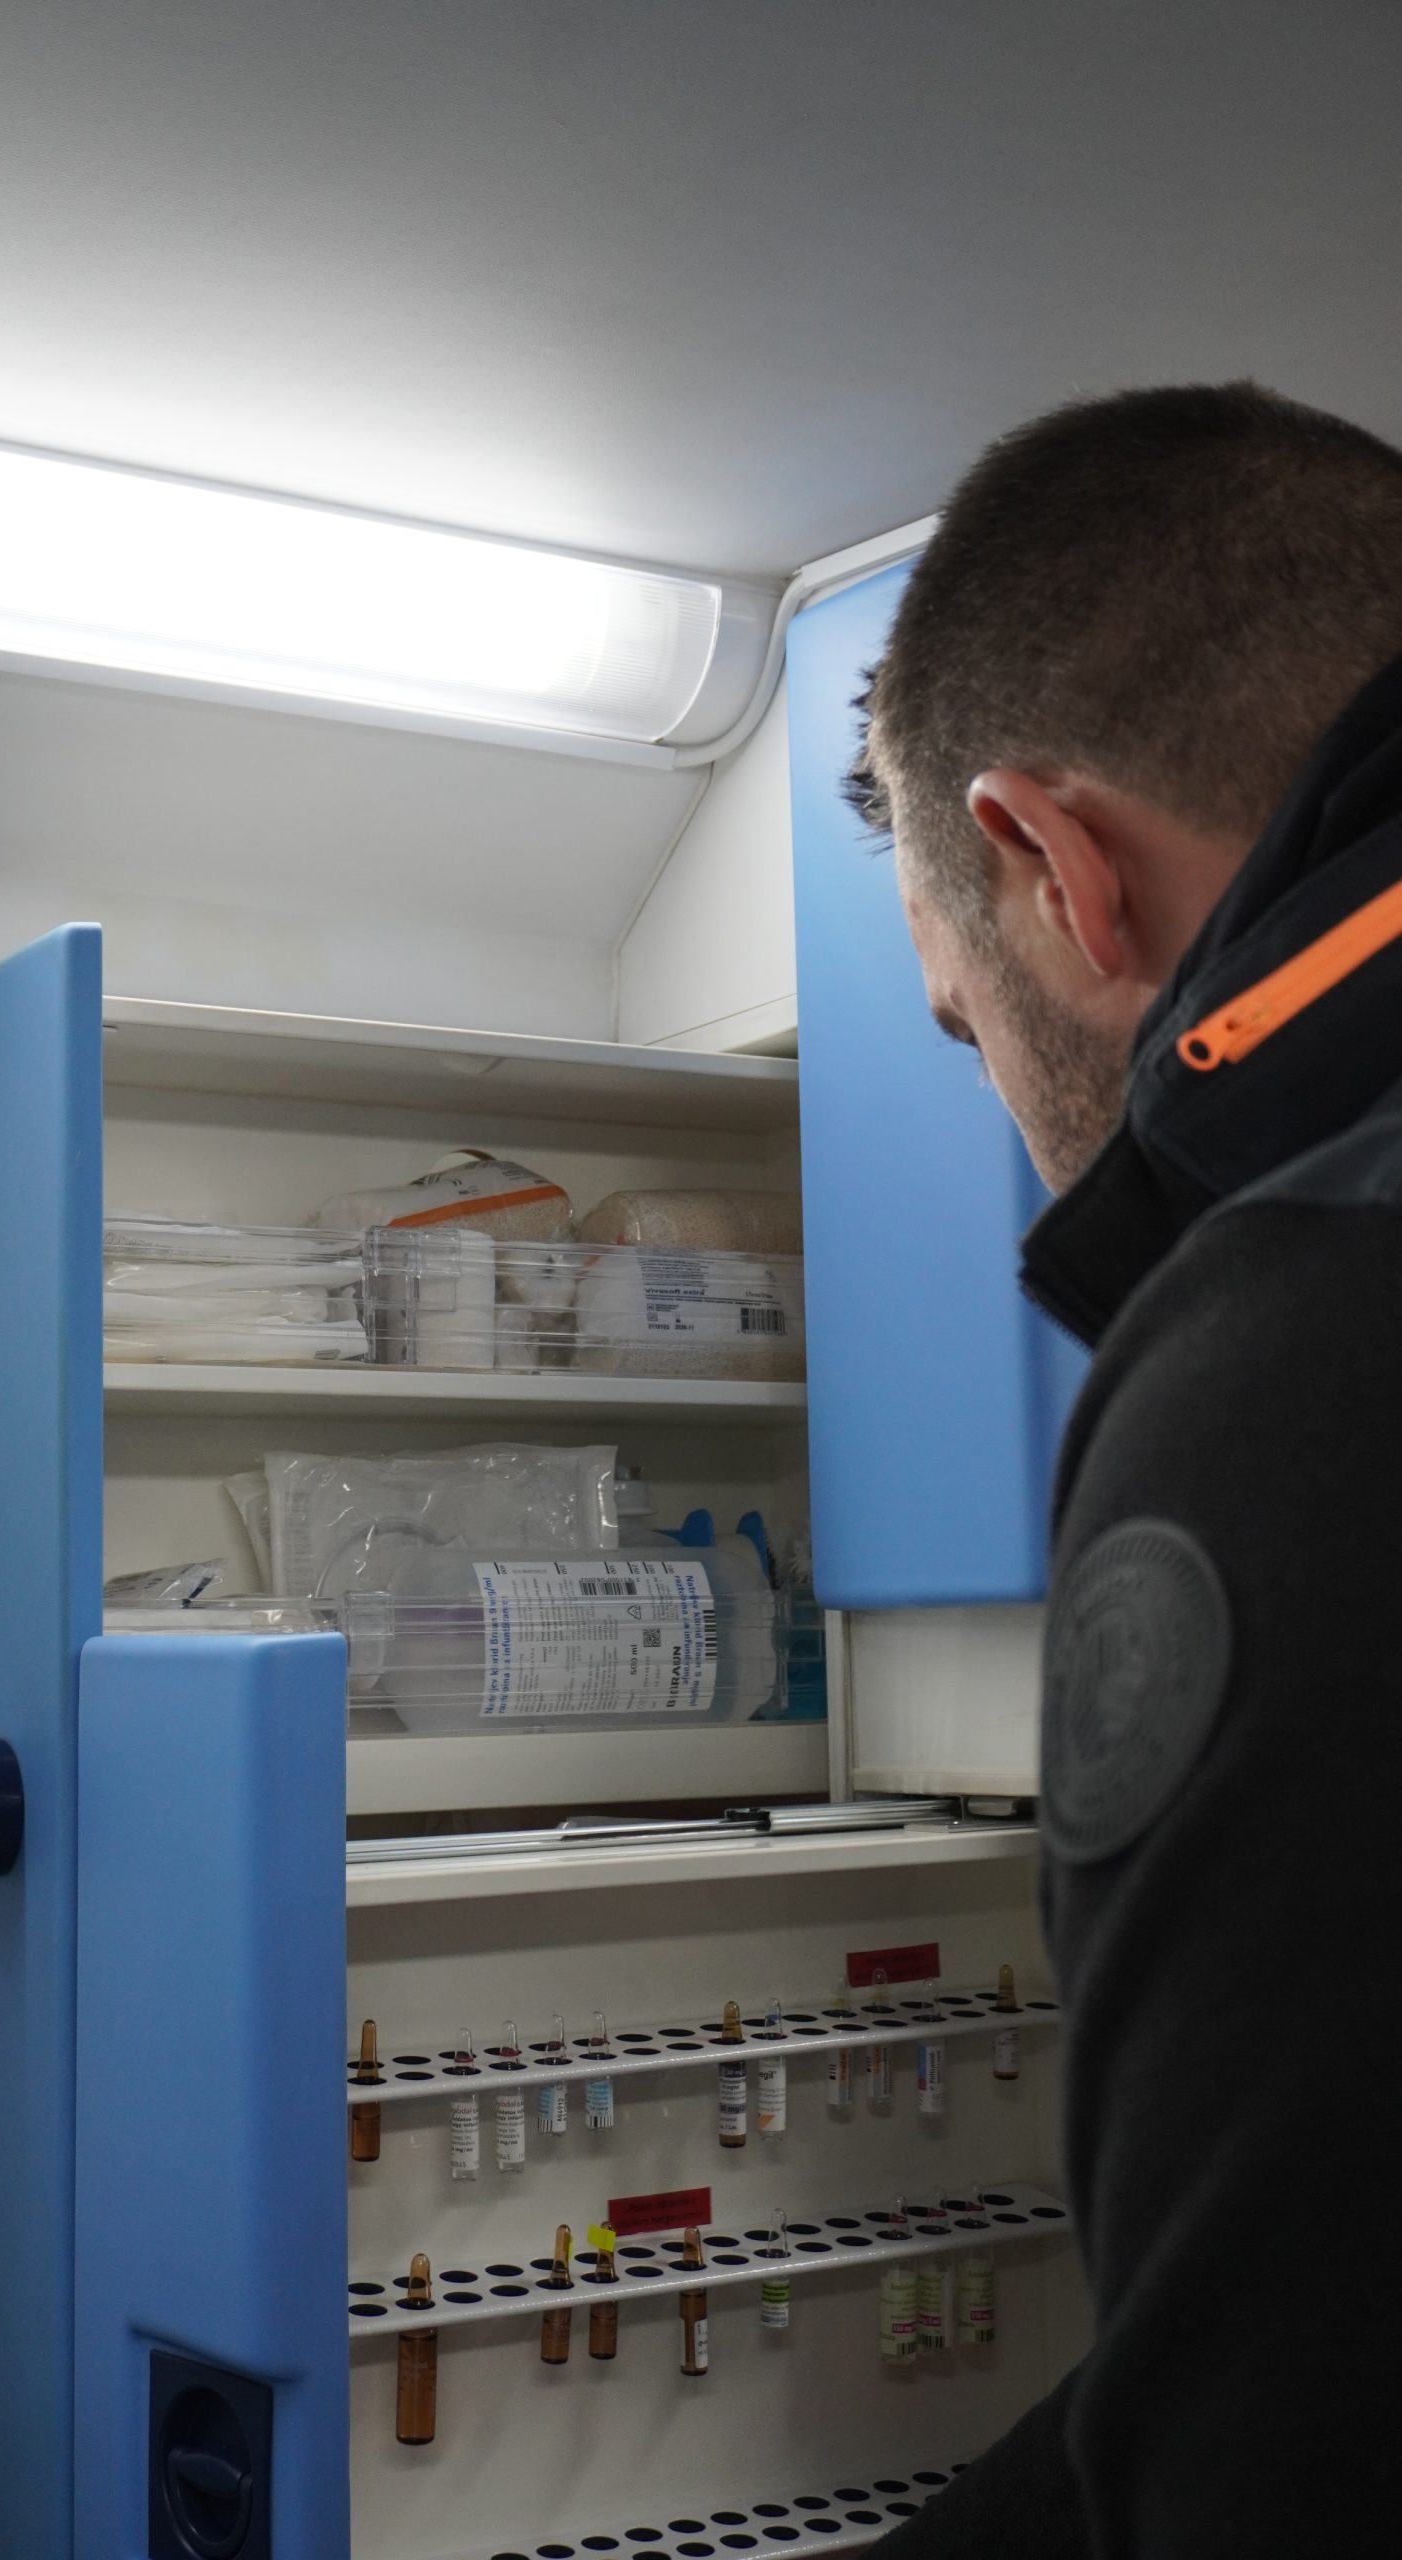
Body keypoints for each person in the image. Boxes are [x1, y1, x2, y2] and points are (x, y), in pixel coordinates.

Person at [846, 381, 1402, 2552]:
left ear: (1054, 868)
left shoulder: (1294, 1348)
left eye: (962, 1024)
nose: (1000, 1096)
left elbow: (1286, 2454)